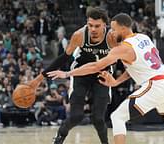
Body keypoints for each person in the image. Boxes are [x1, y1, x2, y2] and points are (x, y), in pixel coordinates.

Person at [47, 13, 164, 144]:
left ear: (122, 28)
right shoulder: (144, 38)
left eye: (114, 29)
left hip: (154, 85)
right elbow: (133, 68)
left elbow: (95, 66)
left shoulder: (123, 48)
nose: (112, 33)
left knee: (117, 117)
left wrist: (67, 74)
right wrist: (116, 82)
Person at [25, 7, 117, 144]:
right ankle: (59, 138)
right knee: (76, 116)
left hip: (102, 76)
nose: (93, 29)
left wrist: (114, 73)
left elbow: (121, 59)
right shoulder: (79, 35)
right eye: (90, 25)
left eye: (97, 26)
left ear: (105, 24)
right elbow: (63, 57)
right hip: (80, 74)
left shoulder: (112, 38)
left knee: (98, 118)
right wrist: (39, 78)